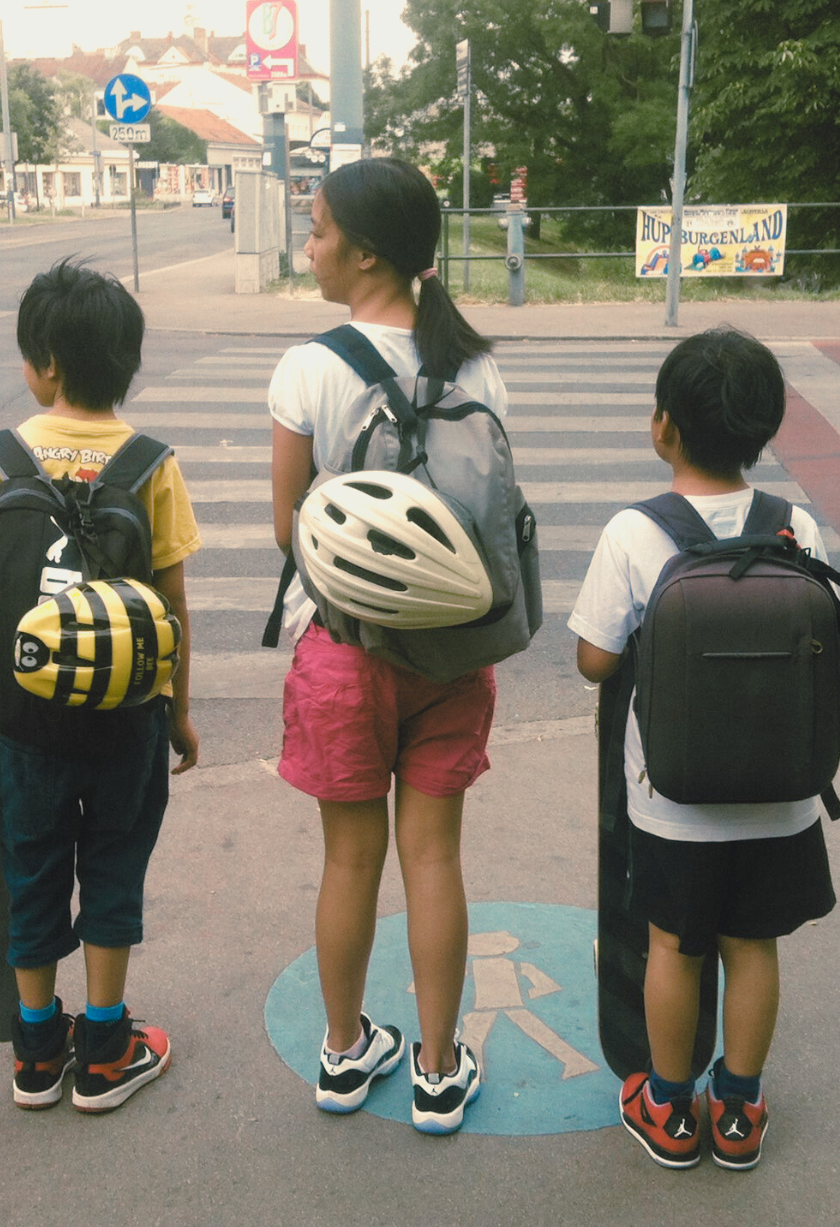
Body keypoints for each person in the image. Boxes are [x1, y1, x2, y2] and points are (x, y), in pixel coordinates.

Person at [0, 258, 201, 1113]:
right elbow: (173, 606)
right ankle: (108, 1049)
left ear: (42, 363)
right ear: (128, 363)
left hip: (24, 726)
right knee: (113, 868)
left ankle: (36, 1053)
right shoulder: (152, 463)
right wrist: (177, 714)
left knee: (30, 872)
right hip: (124, 722)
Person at [267, 157, 508, 1135]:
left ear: (365, 252)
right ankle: (441, 1071)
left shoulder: (311, 366)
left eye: (318, 230)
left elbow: (288, 523)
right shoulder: (476, 362)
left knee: (350, 862)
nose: (309, 246)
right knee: (435, 860)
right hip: (453, 651)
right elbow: (487, 513)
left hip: (343, 653)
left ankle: (342, 1053)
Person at [568, 327, 837, 1170]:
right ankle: (740, 1107)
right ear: (764, 431)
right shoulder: (796, 526)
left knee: (672, 948)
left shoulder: (634, 533)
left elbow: (593, 658)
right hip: (780, 791)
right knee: (752, 944)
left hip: (671, 800)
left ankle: (670, 1108)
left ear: (661, 428)